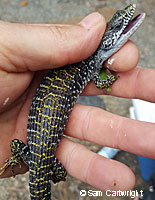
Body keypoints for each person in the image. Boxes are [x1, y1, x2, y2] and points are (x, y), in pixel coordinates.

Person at [0, 12, 154, 194]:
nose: (122, 27)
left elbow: (101, 81)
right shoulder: (91, 61)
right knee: (30, 155)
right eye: (118, 27)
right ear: (106, 42)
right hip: (34, 152)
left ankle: (25, 165)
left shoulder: (89, 61)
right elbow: (101, 82)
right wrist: (108, 80)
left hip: (39, 151)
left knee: (56, 172)